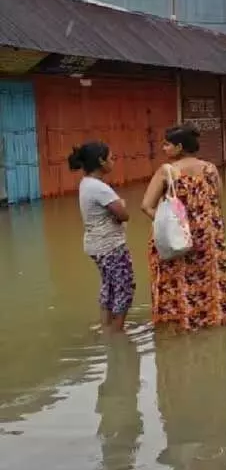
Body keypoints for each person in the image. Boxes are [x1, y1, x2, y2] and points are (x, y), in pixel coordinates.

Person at [141, 125, 226, 331]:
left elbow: (146, 206)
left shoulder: (167, 171)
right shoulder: (210, 169)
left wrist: (176, 226)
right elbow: (217, 203)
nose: (163, 148)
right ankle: (210, 325)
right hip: (209, 238)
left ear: (179, 147)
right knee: (209, 284)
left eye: (167, 144)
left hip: (178, 240)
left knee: (177, 282)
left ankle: (178, 327)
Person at [68, 142, 134, 332]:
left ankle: (106, 328)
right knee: (124, 287)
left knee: (109, 285)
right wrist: (121, 203)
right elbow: (123, 215)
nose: (113, 162)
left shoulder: (86, 183)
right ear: (101, 161)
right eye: (111, 158)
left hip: (96, 244)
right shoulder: (99, 188)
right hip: (110, 245)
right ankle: (117, 333)